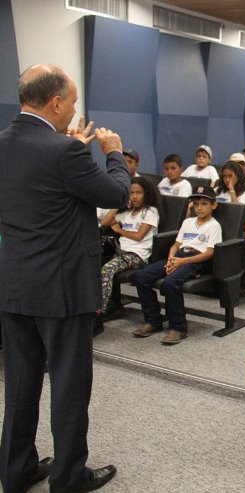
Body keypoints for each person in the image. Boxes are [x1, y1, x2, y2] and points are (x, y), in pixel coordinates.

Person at [0, 64, 130, 493]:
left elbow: (42, 194)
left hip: (15, 285)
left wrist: (69, 147)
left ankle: (15, 472)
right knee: (70, 387)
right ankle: (69, 476)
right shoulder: (64, 153)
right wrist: (112, 153)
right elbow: (117, 195)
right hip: (62, 290)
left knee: (19, 385)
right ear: (55, 102)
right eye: (72, 102)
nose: (75, 110)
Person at [133, 186, 222, 345]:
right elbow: (176, 244)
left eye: (204, 204)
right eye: (196, 204)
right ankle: (153, 321)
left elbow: (210, 253)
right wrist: (171, 258)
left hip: (196, 260)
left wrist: (182, 262)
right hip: (178, 256)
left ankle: (178, 327)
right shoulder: (188, 222)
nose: (199, 208)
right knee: (141, 276)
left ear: (213, 205)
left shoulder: (214, 225)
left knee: (170, 282)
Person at [98, 177, 162, 326]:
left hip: (137, 255)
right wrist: (118, 205)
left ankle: (99, 311)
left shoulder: (150, 211)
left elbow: (139, 236)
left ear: (147, 194)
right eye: (131, 193)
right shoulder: (127, 212)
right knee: (95, 264)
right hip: (121, 252)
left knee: (106, 270)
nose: (134, 196)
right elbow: (105, 223)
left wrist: (120, 230)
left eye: (138, 193)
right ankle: (111, 305)